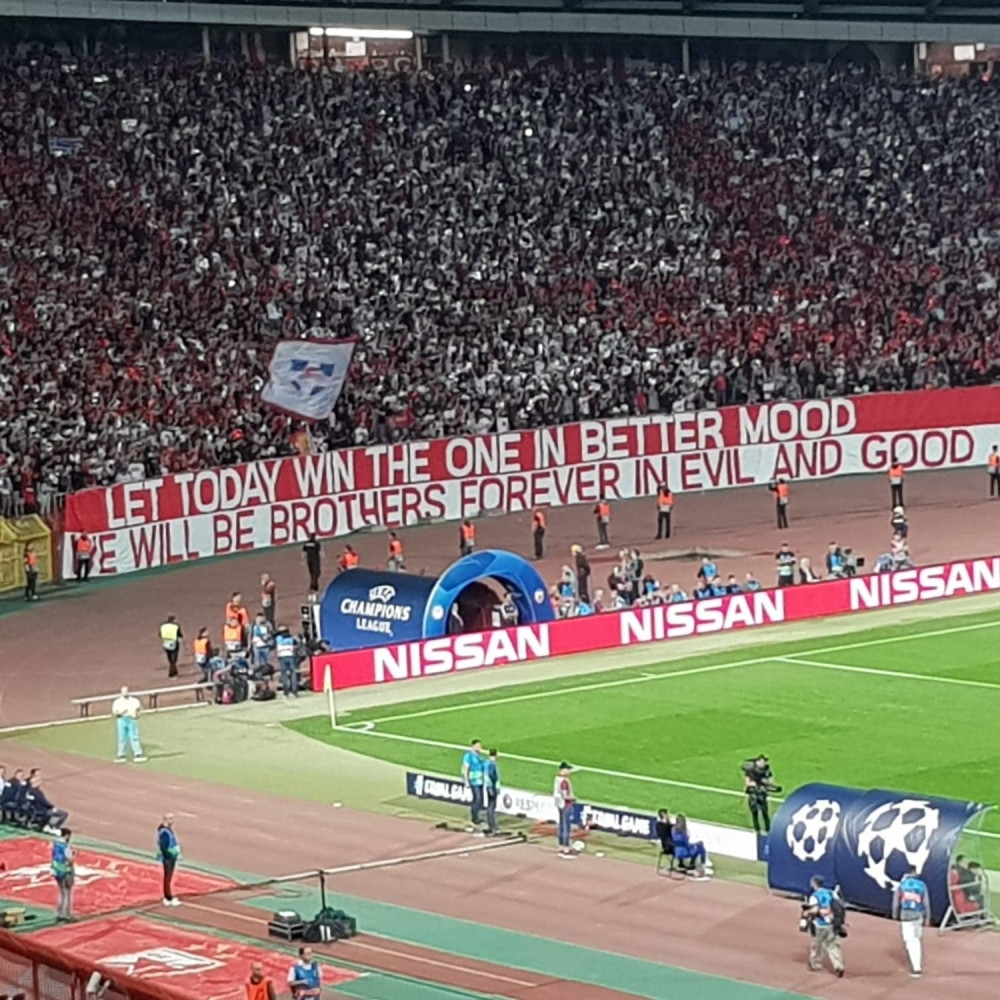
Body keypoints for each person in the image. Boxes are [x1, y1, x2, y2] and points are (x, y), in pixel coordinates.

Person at [805, 875, 845, 977]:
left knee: (817, 945)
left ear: (813, 883)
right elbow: (839, 906)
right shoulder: (831, 893)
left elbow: (814, 910)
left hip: (820, 924)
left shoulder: (814, 896)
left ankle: (815, 963)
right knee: (833, 945)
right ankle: (838, 966)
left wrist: (807, 913)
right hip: (833, 923)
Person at [893, 867, 930, 978]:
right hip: (918, 916)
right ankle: (917, 964)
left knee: (911, 941)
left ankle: (916, 967)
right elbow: (926, 903)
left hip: (906, 916)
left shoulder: (902, 885)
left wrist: (895, 914)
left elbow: (896, 902)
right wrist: (928, 917)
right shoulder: (922, 885)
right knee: (917, 939)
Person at [742, 755, 779, 834]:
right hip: (753, 794)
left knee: (764, 812)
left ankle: (768, 830)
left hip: (762, 794)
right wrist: (754, 784)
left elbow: (770, 782)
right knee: (755, 813)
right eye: (762, 761)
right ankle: (757, 830)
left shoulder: (766, 771)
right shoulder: (750, 770)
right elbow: (747, 783)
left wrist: (770, 785)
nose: (764, 763)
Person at [112, 686, 146, 763]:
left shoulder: (134, 701)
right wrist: (121, 713)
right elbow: (115, 713)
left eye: (126, 691)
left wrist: (138, 715)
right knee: (122, 737)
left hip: (131, 720)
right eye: (123, 691)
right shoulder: (117, 702)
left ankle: (138, 754)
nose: (125, 693)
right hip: (121, 719)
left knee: (134, 737)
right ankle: (121, 755)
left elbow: (139, 709)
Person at [51, 828, 75, 922]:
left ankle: (59, 912)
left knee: (61, 892)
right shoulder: (66, 846)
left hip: (57, 870)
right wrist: (73, 855)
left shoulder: (55, 844)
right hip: (66, 870)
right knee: (67, 893)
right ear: (67, 835)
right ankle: (66, 915)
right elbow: (70, 859)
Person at [157, 813, 181, 906]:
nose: (172, 821)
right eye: (171, 819)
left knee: (169, 878)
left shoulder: (168, 830)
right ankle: (168, 897)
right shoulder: (164, 832)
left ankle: (168, 896)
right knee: (167, 878)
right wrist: (170, 855)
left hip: (170, 857)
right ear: (166, 820)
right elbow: (163, 847)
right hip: (168, 858)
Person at [553, 762, 576, 859]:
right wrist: (573, 798)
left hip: (559, 804)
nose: (569, 772)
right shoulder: (564, 781)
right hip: (566, 805)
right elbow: (565, 796)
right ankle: (566, 847)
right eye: (568, 770)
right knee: (566, 826)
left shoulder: (557, 779)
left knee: (561, 825)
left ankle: (560, 846)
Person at [461, 740, 485, 830]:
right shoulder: (468, 756)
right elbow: (465, 768)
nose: (480, 748)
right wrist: (466, 781)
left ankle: (476, 817)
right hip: (473, 781)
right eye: (478, 746)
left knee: (479, 800)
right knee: (478, 799)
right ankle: (474, 819)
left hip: (480, 781)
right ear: (473, 746)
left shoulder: (479, 757)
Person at [275, 627, 298, 697]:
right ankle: (294, 691)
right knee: (293, 674)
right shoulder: (292, 638)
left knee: (284, 674)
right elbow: (296, 645)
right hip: (290, 655)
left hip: (282, 656)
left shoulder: (278, 638)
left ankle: (286, 692)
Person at [484, 749, 500, 836]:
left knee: (491, 806)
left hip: (490, 786)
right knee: (491, 806)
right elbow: (490, 775)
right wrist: (492, 786)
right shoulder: (491, 764)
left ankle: (492, 825)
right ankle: (492, 826)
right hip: (491, 786)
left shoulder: (488, 763)